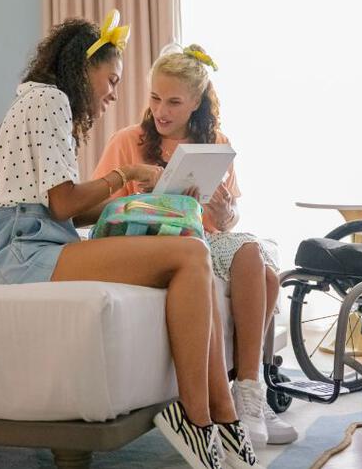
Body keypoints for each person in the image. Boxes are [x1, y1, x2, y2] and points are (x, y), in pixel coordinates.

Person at [0, 12, 261, 469]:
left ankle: (219, 416)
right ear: (84, 69)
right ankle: (201, 418)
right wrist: (123, 174)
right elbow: (65, 206)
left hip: (42, 239)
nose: (112, 94)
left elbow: (66, 208)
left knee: (197, 255)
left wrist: (137, 194)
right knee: (190, 253)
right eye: (111, 80)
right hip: (18, 251)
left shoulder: (45, 100)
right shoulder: (50, 101)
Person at [93, 45, 297, 447]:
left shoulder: (215, 142)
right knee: (259, 269)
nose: (161, 111)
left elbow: (228, 219)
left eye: (173, 102)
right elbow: (102, 211)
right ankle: (246, 398)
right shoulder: (127, 141)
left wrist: (223, 215)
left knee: (263, 267)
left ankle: (249, 393)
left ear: (195, 103)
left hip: (208, 239)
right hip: (162, 242)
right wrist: (152, 195)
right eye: (154, 98)